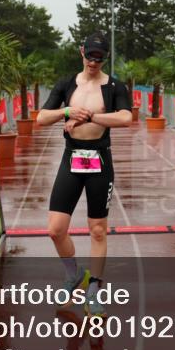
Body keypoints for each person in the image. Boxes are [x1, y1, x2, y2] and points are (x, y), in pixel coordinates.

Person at [36, 31, 132, 316]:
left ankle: (93, 291)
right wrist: (66, 112)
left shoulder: (114, 86)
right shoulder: (67, 84)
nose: (94, 61)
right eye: (90, 55)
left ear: (105, 58)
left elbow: (126, 117)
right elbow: (41, 118)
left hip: (100, 160)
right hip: (72, 158)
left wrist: (91, 116)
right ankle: (75, 275)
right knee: (55, 230)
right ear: (82, 52)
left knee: (98, 230)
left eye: (99, 57)